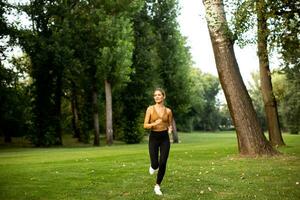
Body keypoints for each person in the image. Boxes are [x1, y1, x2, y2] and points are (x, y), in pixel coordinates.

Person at [143, 88, 173, 196]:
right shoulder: (150, 109)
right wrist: (154, 124)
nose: (157, 97)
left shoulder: (168, 111)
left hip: (164, 138)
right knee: (155, 164)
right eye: (155, 95)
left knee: (163, 162)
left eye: (159, 95)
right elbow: (145, 125)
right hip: (154, 137)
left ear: (163, 96)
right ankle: (153, 166)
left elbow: (170, 124)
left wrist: (170, 130)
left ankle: (157, 185)